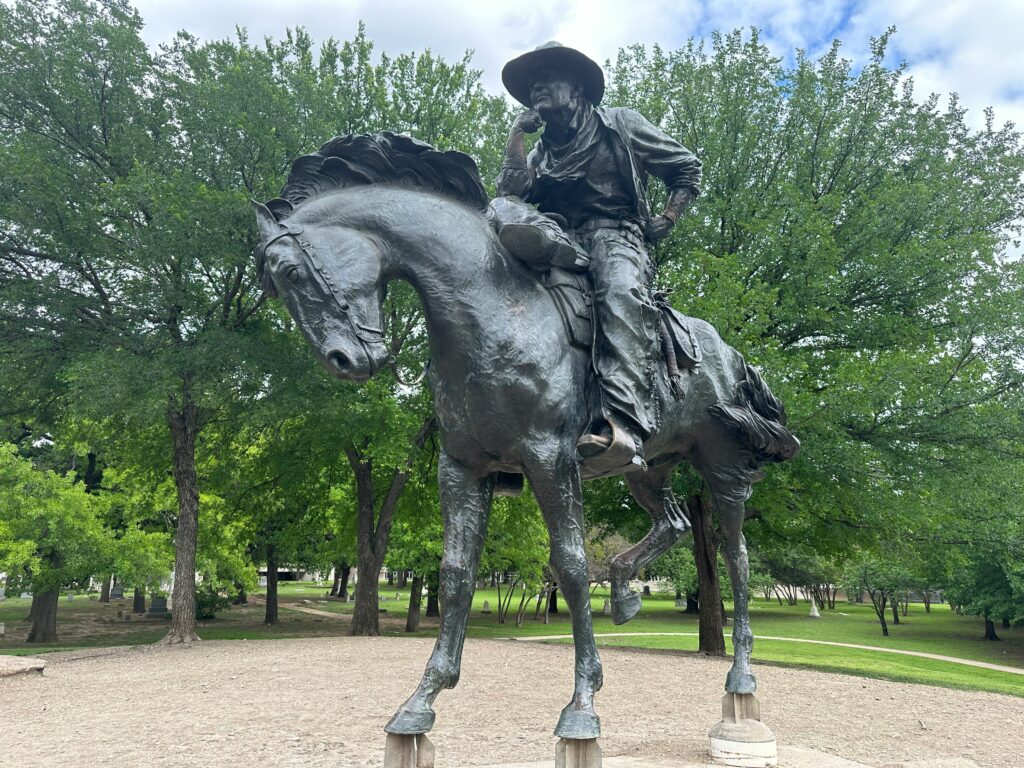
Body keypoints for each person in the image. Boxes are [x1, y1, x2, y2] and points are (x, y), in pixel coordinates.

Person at [494, 42, 702, 475]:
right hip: (558, 241)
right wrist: (516, 134)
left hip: (615, 236)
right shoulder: (539, 153)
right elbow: (510, 192)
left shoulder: (621, 124)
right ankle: (498, 432)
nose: (536, 88)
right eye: (532, 84)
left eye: (547, 78)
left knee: (619, 293)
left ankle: (622, 423)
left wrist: (668, 216)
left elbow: (686, 166)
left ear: (575, 87)